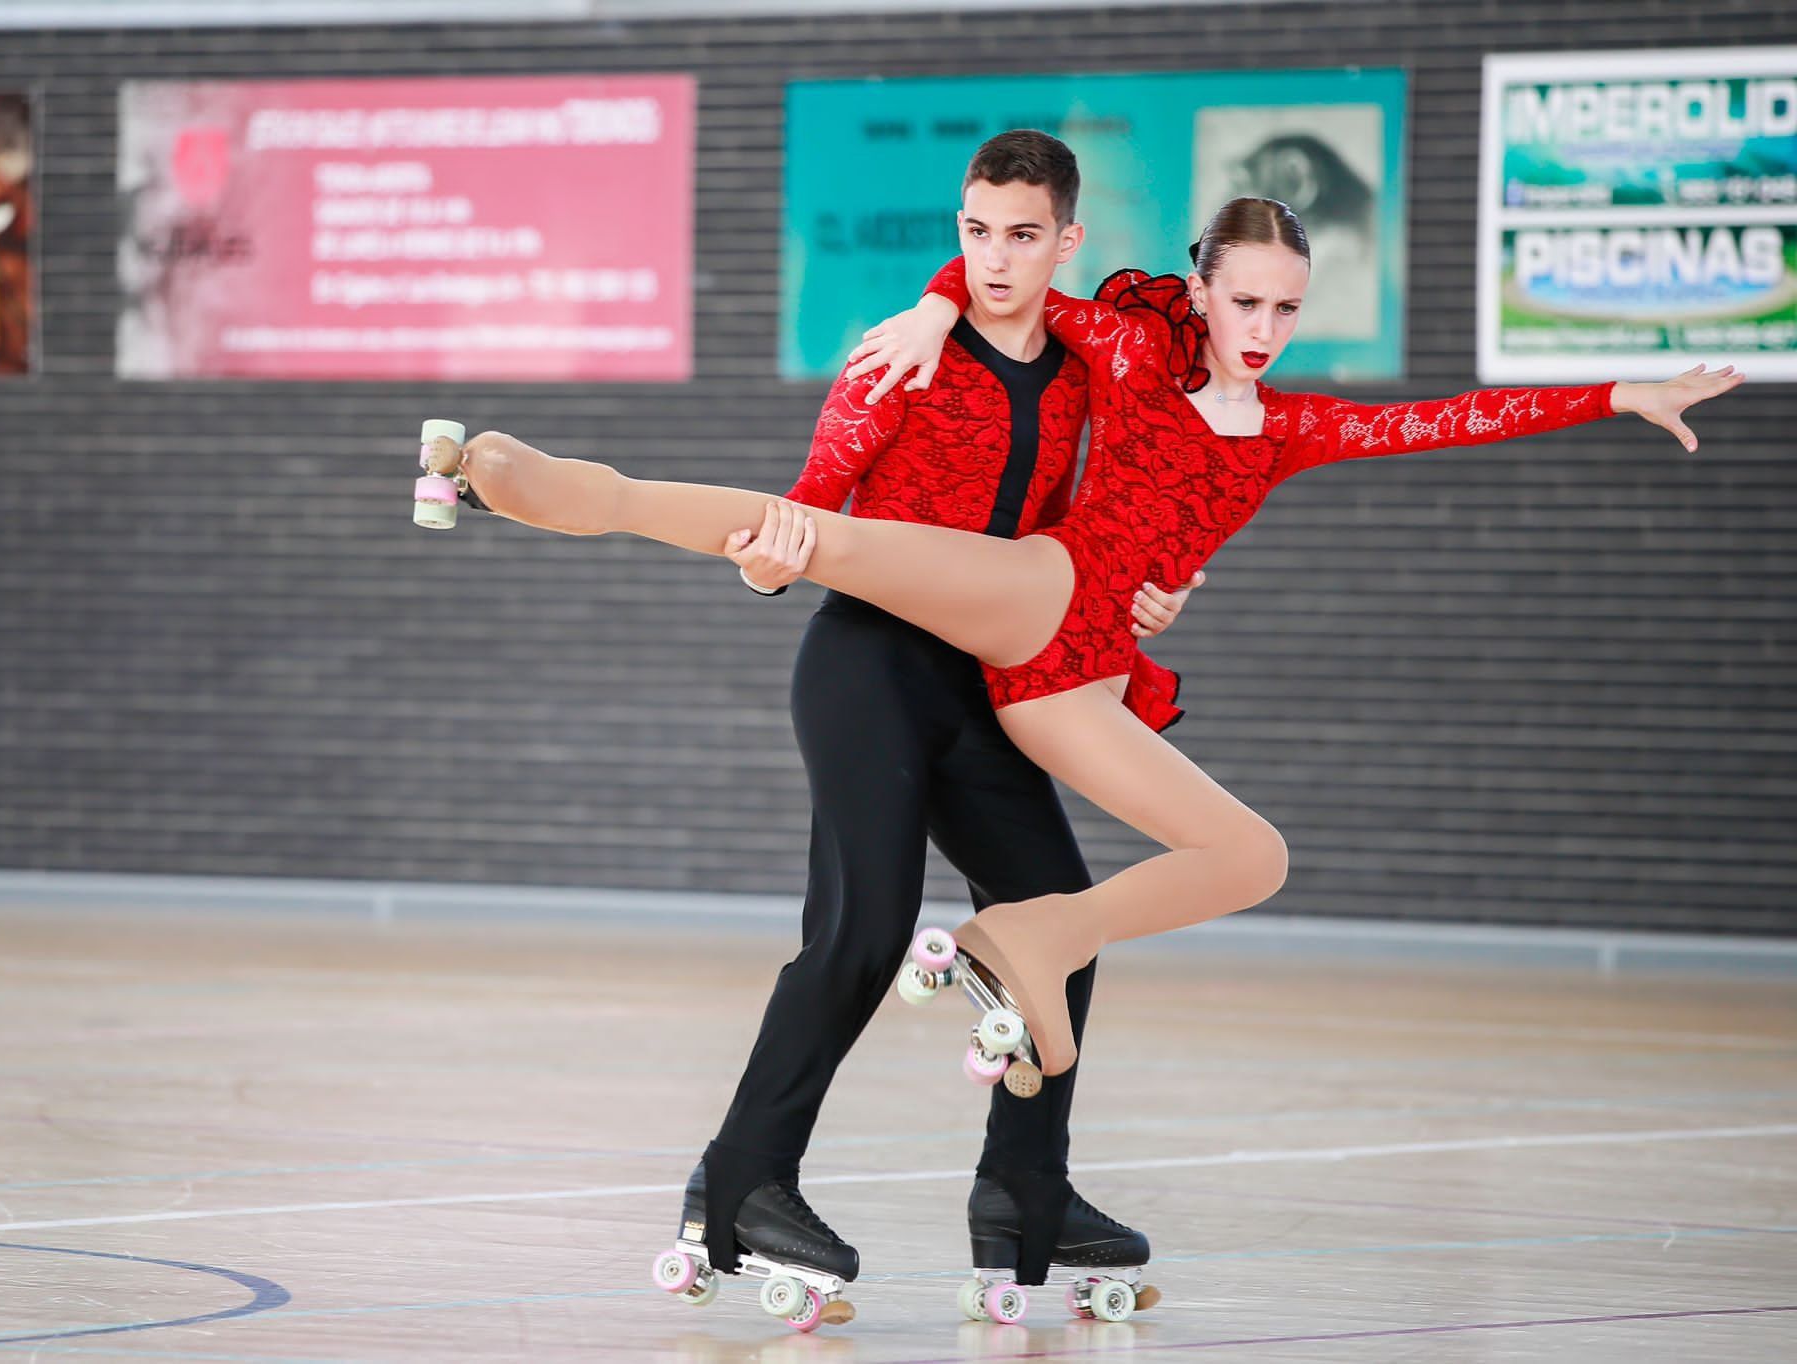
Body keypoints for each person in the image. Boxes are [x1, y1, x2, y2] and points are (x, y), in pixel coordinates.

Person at [438, 188, 1739, 1278]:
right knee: (828, 538)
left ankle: (1034, 966)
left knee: (1251, 855)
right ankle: (559, 487)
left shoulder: (1290, 430)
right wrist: (941, 300)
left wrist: (1625, 388)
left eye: (1288, 307)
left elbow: (1442, 420)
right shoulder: (1129, 350)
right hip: (1036, 600)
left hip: (1085, 682)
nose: (1266, 329)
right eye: (1245, 302)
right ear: (1201, 287)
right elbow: (1009, 266)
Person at [670, 130, 1197, 1313]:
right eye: (974, 233)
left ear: (1066, 240)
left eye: (1021, 234)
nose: (994, 256)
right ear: (956, 231)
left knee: (1061, 922)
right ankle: (739, 1182)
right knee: (861, 927)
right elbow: (797, 518)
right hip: (865, 665)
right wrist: (765, 561)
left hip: (982, 687)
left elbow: (1071, 534)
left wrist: (1142, 589)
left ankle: (1024, 1192)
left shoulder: (1078, 373)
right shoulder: (897, 359)